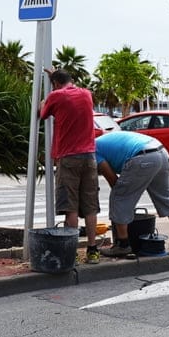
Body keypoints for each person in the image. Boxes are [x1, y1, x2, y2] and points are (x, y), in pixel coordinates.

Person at [39, 69, 101, 264]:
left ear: (55, 84)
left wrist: (45, 98)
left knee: (70, 207)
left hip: (68, 158)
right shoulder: (86, 94)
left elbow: (42, 114)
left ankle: (71, 252)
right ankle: (92, 250)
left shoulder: (56, 96)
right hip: (89, 157)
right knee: (90, 207)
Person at [95, 130, 169, 257]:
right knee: (164, 197)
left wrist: (125, 206)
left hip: (143, 157)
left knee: (119, 198)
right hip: (160, 151)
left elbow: (113, 180)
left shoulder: (92, 151)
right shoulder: (103, 141)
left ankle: (122, 245)